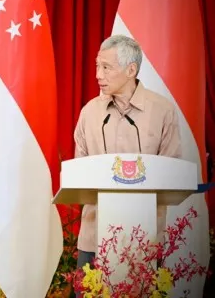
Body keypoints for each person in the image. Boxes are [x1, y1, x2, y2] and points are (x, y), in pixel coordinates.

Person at [72, 35, 181, 294]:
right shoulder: (89, 113)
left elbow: (173, 177)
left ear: (131, 70)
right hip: (94, 238)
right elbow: (78, 174)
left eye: (106, 67)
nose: (98, 74)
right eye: (97, 66)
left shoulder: (162, 111)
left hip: (145, 240)